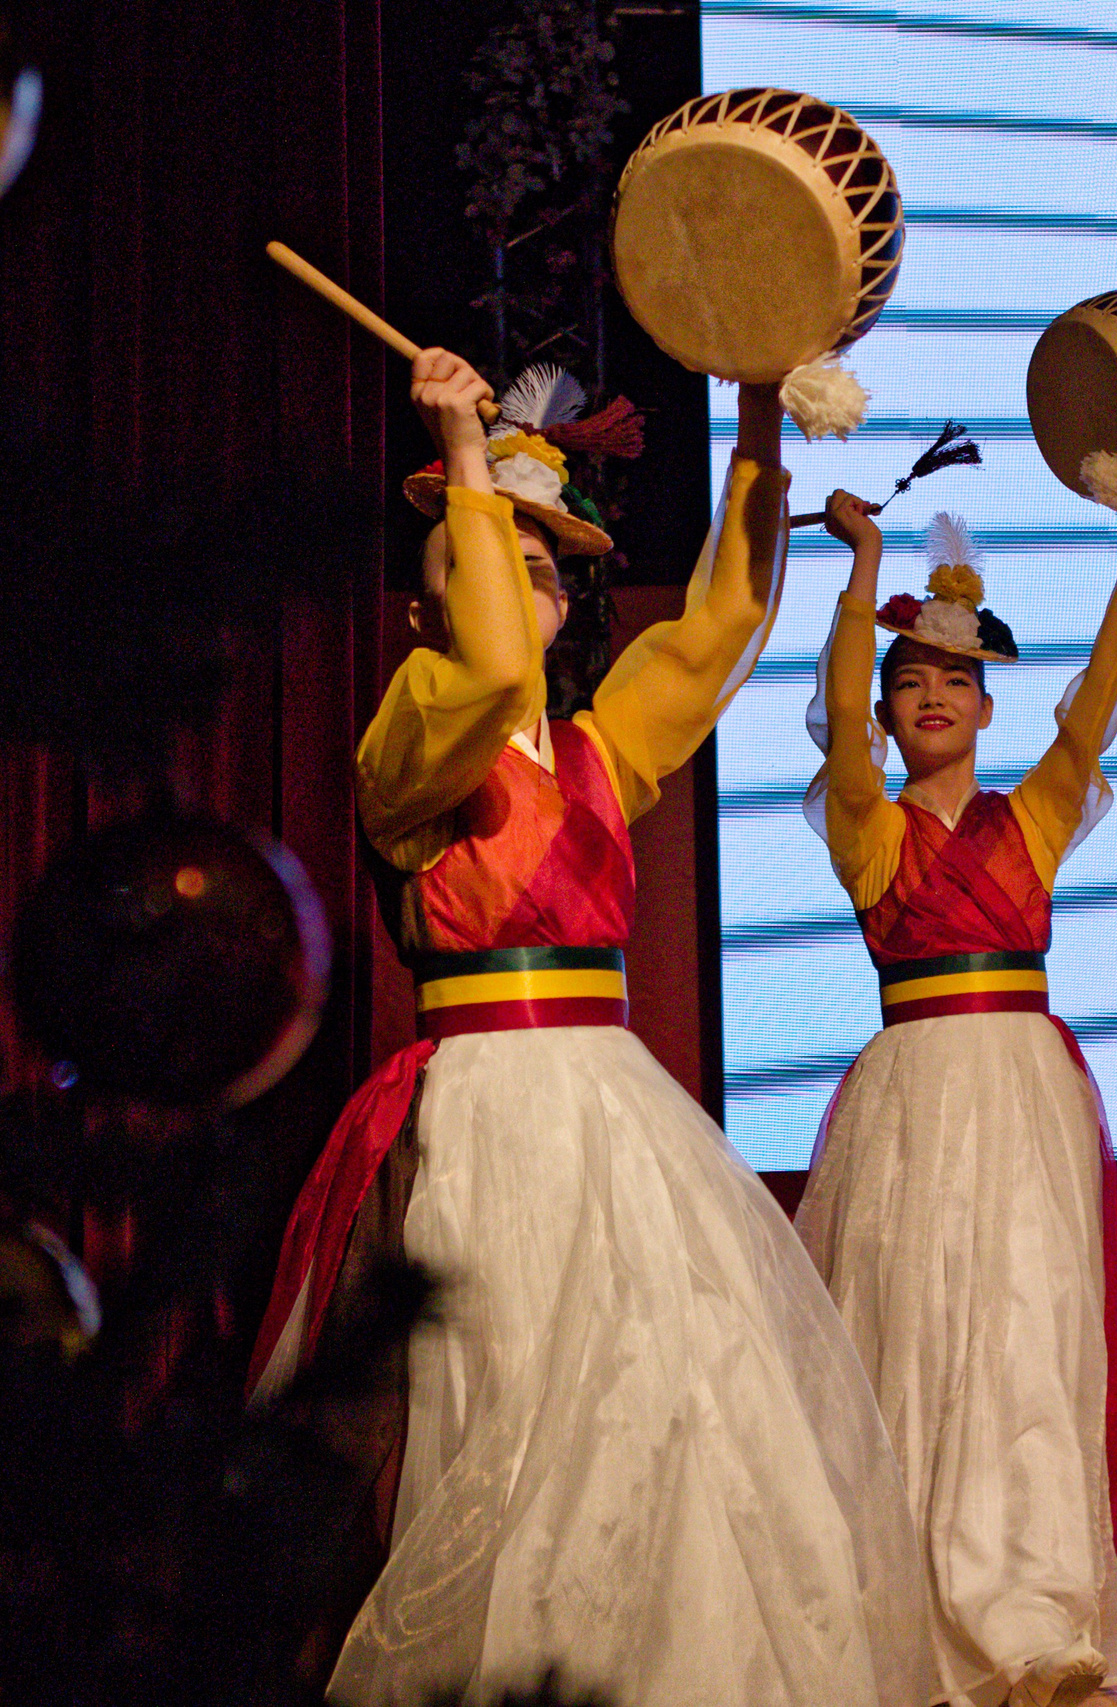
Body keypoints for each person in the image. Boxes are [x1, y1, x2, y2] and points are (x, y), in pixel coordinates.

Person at [249, 352, 931, 1705]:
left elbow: (728, 614)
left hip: (614, 1108)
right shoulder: (415, 738)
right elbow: (494, 663)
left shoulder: (598, 750)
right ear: (423, 588)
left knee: (665, 1404)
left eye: (554, 564)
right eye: (492, 550)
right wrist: (458, 440)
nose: (528, 581)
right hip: (483, 1117)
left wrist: (747, 407)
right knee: (512, 1415)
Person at [796, 486, 1117, 1707]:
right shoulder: (866, 826)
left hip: (1024, 1092)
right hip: (914, 1097)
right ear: (881, 705)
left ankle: (1033, 1621)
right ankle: (911, 1605)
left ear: (986, 705)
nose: (934, 694)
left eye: (959, 682)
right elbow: (843, 751)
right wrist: (864, 573)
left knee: (1027, 1347)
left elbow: (1096, 714)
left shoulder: (1034, 816)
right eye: (911, 677)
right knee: (914, 1345)